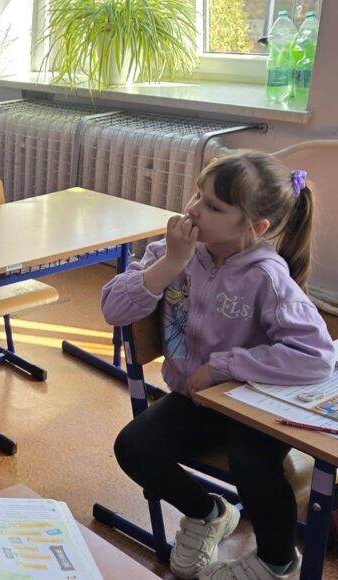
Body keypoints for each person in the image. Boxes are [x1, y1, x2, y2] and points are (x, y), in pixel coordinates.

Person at [105, 151, 335, 580]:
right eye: (198, 194)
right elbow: (114, 309)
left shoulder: (267, 275)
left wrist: (224, 366)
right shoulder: (172, 250)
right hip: (197, 399)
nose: (193, 209)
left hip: (253, 402)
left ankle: (277, 562)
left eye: (214, 206)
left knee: (254, 464)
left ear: (255, 227)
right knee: (135, 447)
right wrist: (171, 262)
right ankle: (210, 512)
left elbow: (316, 355)